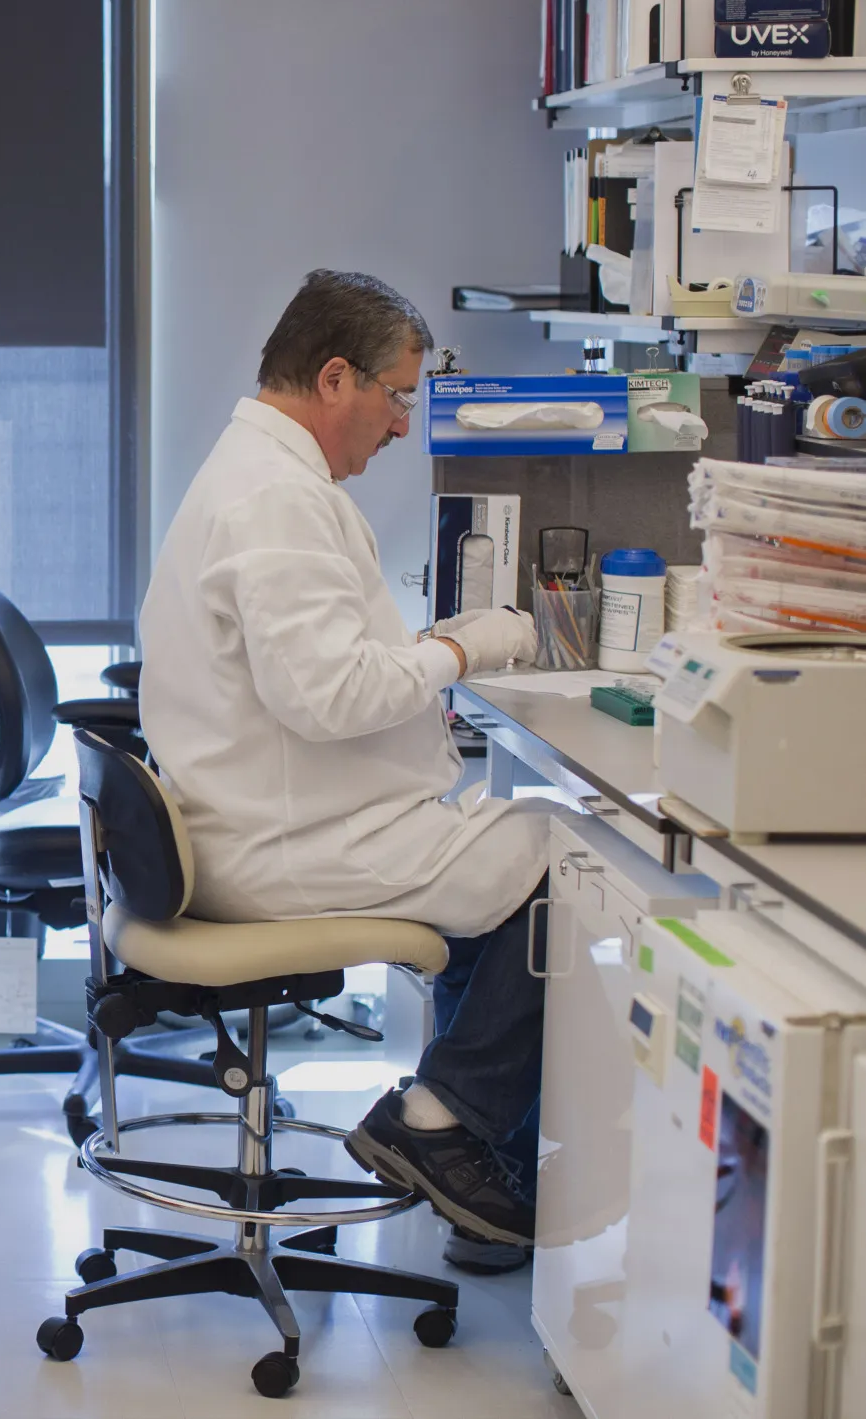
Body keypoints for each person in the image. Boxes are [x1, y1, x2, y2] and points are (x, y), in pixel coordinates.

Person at [136, 269, 561, 1265]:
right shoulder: (275, 500)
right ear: (334, 379)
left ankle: (466, 1159)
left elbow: (316, 668)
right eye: (397, 394)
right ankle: (442, 1121)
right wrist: (464, 649)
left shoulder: (259, 473)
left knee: (500, 869)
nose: (404, 423)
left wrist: (429, 651)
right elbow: (326, 697)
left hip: (270, 817)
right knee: (563, 867)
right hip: (284, 843)